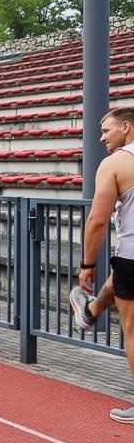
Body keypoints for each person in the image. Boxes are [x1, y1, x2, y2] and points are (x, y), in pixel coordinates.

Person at [77, 108, 134, 425]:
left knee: (132, 330)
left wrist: (87, 264)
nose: (101, 138)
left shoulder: (115, 164)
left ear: (126, 127)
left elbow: (98, 220)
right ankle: (91, 310)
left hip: (131, 255)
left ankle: (90, 309)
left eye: (106, 130)